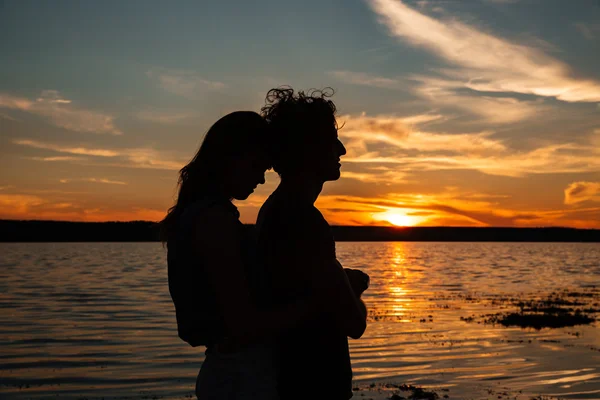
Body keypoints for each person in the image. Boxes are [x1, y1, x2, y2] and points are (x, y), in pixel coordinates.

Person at [161, 111, 326, 400]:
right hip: (239, 377)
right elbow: (243, 324)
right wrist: (323, 301)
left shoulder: (203, 214)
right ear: (230, 158)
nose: (261, 180)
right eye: (256, 166)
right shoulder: (213, 221)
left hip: (232, 371)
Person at [257, 87, 370, 400]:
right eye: (330, 139)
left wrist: (338, 282)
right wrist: (352, 287)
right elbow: (354, 322)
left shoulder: (275, 210)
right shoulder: (303, 219)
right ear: (308, 148)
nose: (342, 149)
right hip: (311, 386)